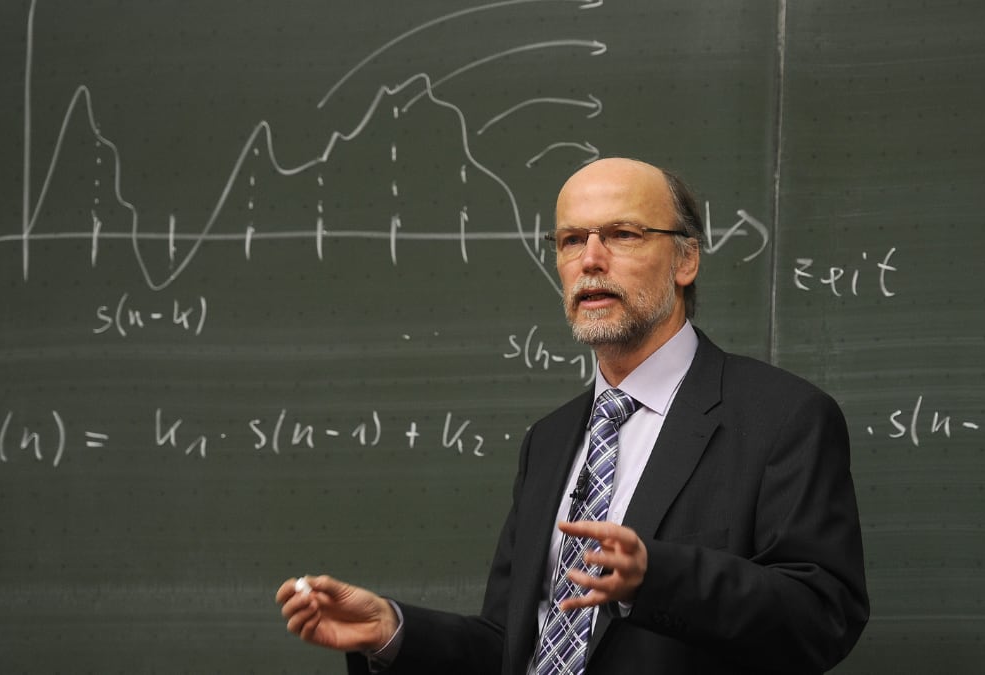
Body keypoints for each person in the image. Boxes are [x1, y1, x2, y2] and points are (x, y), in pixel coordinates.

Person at [276, 157, 869, 674]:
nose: (590, 260)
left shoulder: (783, 417)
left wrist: (656, 576)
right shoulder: (550, 440)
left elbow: (823, 618)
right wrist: (393, 630)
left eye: (623, 235)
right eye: (570, 240)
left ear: (686, 259)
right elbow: (512, 646)